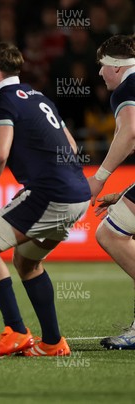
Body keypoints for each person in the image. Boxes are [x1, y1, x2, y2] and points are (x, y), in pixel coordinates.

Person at [0, 42, 91, 358]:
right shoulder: (37, 96)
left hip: (50, 193)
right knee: (26, 262)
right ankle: (53, 342)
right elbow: (70, 144)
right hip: (77, 193)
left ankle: (15, 330)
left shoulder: (0, 104)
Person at [86, 35, 135, 350]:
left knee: (111, 235)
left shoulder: (128, 89)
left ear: (116, 67)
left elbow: (130, 134)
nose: (101, 73)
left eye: (102, 66)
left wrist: (100, 178)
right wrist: (124, 195)